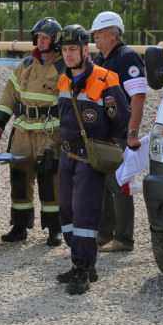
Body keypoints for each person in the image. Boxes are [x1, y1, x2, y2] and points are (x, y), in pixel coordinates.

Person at [55, 25, 130, 295]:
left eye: (72, 49)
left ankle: (82, 268)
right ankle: (83, 262)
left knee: (84, 212)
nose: (68, 54)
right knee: (66, 210)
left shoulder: (105, 78)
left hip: (89, 156)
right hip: (66, 154)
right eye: (64, 50)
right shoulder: (63, 79)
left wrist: (104, 143)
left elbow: (120, 116)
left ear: (86, 50)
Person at [0, 17, 66, 247]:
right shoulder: (25, 64)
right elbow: (9, 96)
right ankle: (19, 226)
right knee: (19, 178)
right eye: (38, 37)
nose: (40, 42)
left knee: (49, 179)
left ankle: (54, 230)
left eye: (45, 38)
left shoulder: (64, 66)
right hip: (22, 132)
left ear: (55, 41)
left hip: (49, 133)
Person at [89, 11, 147, 253]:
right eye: (94, 33)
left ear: (113, 33)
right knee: (103, 182)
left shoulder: (126, 58)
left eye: (99, 33)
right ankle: (105, 232)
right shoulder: (102, 60)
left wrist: (132, 133)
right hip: (105, 133)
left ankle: (124, 239)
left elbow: (138, 97)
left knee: (119, 183)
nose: (95, 37)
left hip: (121, 133)